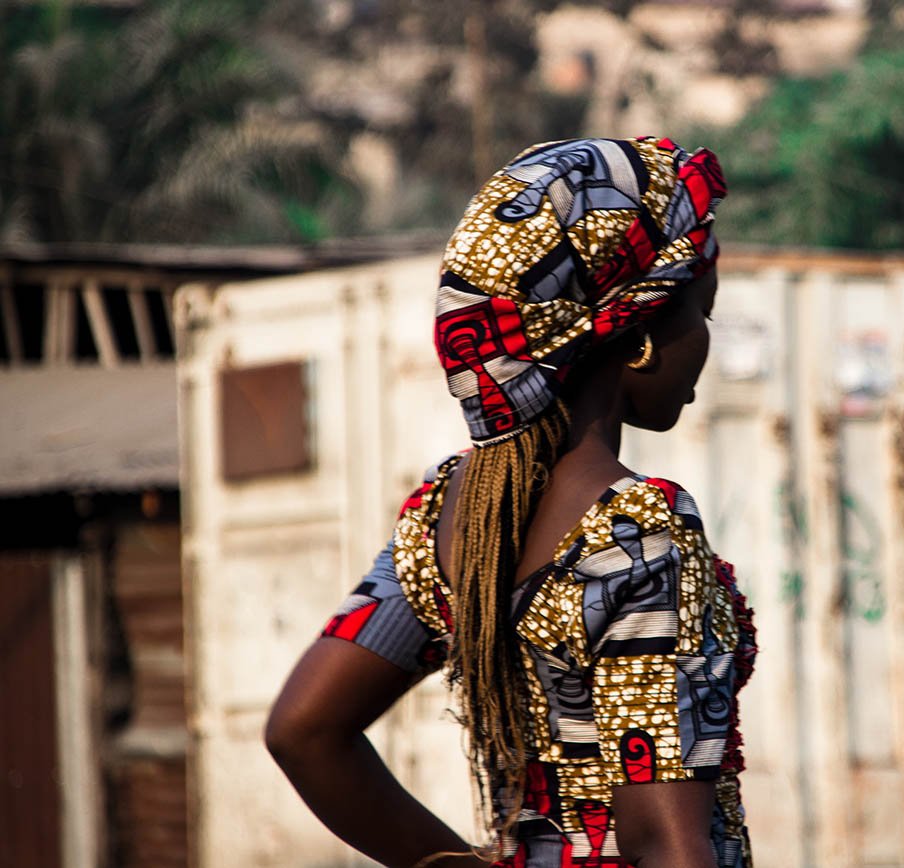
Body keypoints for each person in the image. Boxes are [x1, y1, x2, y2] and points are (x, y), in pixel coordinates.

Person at [265, 136, 757, 868]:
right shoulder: (638, 530)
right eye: (701, 314)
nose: (704, 344)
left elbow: (304, 732)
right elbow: (666, 844)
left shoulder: (448, 513)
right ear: (640, 332)